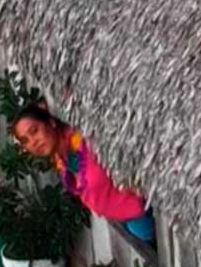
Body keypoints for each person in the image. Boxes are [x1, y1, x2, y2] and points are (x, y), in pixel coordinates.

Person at [10, 103, 155, 242]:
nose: (33, 142)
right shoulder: (61, 160)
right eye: (25, 141)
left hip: (144, 211)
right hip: (124, 220)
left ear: (51, 123)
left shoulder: (85, 139)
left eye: (34, 131)